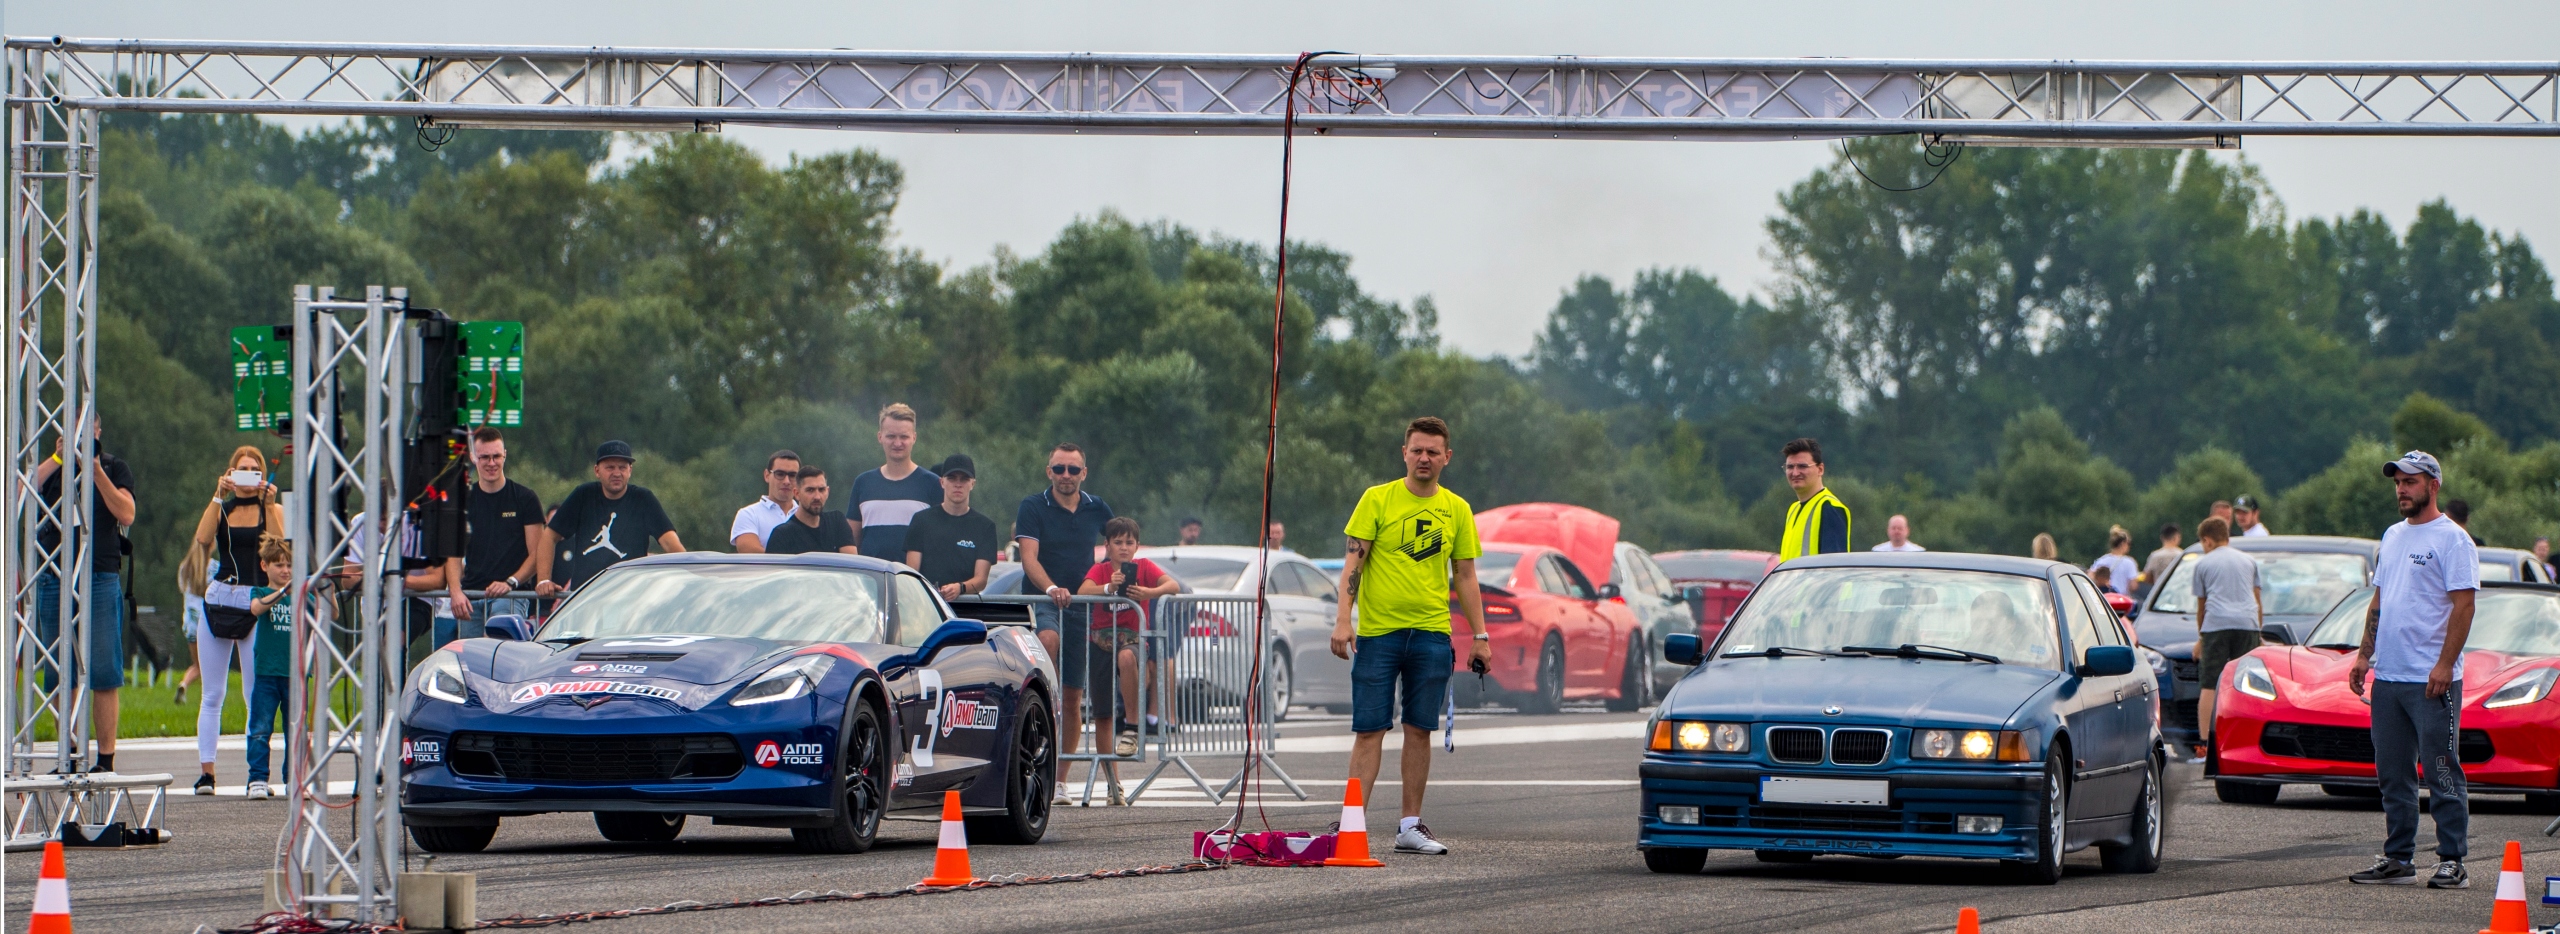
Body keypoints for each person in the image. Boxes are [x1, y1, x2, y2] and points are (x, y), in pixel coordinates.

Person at [1331, 416, 1492, 856]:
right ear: (1404, 453)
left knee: (1420, 729)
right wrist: (1343, 619)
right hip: (1379, 634)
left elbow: (1465, 576)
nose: (1424, 458)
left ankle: (1409, 826)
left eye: (1432, 452)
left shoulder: (1457, 509)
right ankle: (1351, 825)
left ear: (1446, 457)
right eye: (1417, 450)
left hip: (1431, 634)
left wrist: (1480, 635)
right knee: (1369, 729)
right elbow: (1353, 564)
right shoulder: (1377, 499)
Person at [2347, 451, 2477, 889]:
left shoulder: (2453, 540)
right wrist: (2364, 656)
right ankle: (2399, 858)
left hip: (2431, 679)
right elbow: (2380, 600)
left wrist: (2445, 664)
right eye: (2398, 482)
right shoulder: (2392, 535)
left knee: (2441, 769)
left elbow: (2464, 607)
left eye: (2410, 482)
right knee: (2393, 774)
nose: (2402, 489)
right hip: (2389, 677)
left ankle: (2452, 859)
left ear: (2433, 485)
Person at [1015, 442, 1114, 790]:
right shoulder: (1032, 505)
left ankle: (1059, 780)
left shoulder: (1096, 506)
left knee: (1074, 698)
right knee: (1047, 638)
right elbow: (1028, 558)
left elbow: (1122, 541)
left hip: (1081, 604)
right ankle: (1045, 695)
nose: (1066, 475)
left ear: (1083, 473)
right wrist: (1051, 588)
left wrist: (1110, 577)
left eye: (1073, 469)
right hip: (1044, 596)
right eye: (1059, 469)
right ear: (1049, 472)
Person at [191, 445, 285, 784]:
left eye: (253, 470)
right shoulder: (223, 508)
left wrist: (269, 504)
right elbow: (202, 538)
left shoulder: (271, 508)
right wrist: (218, 495)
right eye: (241, 469)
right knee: (212, 694)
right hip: (221, 597)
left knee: (253, 693)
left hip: (256, 600)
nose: (247, 475)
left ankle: (255, 773)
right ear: (230, 473)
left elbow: (280, 548)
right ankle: (207, 772)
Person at [1078, 517, 1181, 756]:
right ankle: (1107, 761)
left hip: (1133, 638)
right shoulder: (1101, 569)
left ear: (1137, 546)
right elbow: (1082, 591)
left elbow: (1173, 586)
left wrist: (1149, 592)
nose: (1123, 547)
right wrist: (1108, 587)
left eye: (1129, 542)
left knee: (1126, 658)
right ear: (1107, 545)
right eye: (1118, 542)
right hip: (1100, 640)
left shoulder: (1144, 566)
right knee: (1102, 711)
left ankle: (1132, 727)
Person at [538, 441, 682, 594]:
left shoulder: (643, 499)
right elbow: (549, 536)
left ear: (630, 470)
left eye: (622, 467)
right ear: (597, 471)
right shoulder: (583, 495)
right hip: (586, 595)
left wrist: (691, 578)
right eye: (610, 467)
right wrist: (544, 580)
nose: (617, 473)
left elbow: (669, 541)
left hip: (630, 594)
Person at [453, 427, 544, 639]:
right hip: (472, 596)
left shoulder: (525, 498)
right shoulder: (463, 500)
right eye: (485, 457)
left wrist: (510, 582)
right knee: (470, 657)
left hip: (511, 595)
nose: (491, 463)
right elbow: (452, 552)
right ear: (473, 458)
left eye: (496, 456)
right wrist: (455, 591)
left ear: (505, 455)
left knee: (497, 647)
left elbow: (538, 553)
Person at [2190, 516, 2262, 760]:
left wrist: (2201, 638)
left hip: (2217, 625)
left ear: (2207, 540)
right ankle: (2248, 741)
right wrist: (2258, 632)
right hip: (2247, 624)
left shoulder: (2203, 564)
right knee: (2249, 683)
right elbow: (2257, 600)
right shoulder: (2248, 561)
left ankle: (2204, 746)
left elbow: (2202, 606)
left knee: (2209, 684)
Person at [240, 536, 301, 800]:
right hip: (266, 673)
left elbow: (330, 614)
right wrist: (284, 592)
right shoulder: (261, 592)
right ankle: (257, 779)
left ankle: (294, 778)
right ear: (265, 566)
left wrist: (329, 592)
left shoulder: (302, 595)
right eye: (279, 565)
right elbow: (256, 609)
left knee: (295, 730)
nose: (285, 570)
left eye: (289, 565)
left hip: (295, 675)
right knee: (260, 729)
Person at [849, 404, 941, 560]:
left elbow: (940, 541)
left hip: (914, 576)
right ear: (880, 437)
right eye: (891, 436)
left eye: (904, 437)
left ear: (914, 438)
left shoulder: (933, 484)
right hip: (871, 575)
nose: (897, 443)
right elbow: (851, 542)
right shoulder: (863, 483)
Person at [906, 454, 998, 598]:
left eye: (964, 479)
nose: (958, 484)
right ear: (942, 482)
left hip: (965, 606)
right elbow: (912, 573)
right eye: (952, 478)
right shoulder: (921, 521)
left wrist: (960, 588)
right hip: (927, 604)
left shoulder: (985, 527)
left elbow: (981, 580)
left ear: (972, 484)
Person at [1777, 438, 1850, 561]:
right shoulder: (1793, 510)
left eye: (1802, 466)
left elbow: (1834, 566)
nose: (1795, 473)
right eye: (1790, 467)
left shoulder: (1829, 507)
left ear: (1820, 469)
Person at [764, 466, 858, 556]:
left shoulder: (837, 522)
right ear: (797, 494)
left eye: (821, 490)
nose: (817, 496)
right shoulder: (782, 535)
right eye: (810, 490)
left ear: (827, 492)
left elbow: (851, 563)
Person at [729, 450, 801, 553]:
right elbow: (749, 552)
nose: (786, 481)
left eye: (793, 475)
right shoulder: (748, 514)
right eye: (780, 474)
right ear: (767, 475)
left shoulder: (808, 517)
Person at [2138, 523, 2184, 602]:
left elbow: (2147, 578)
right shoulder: (2181, 555)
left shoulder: (2155, 556)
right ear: (2176, 537)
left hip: (2159, 595)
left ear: (2162, 538)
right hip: (2178, 595)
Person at [2091, 525, 2140, 596]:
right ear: (2123, 544)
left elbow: (2090, 577)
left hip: (2103, 597)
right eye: (2129, 544)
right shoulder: (2129, 562)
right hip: (2120, 599)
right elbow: (2133, 586)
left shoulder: (2102, 560)